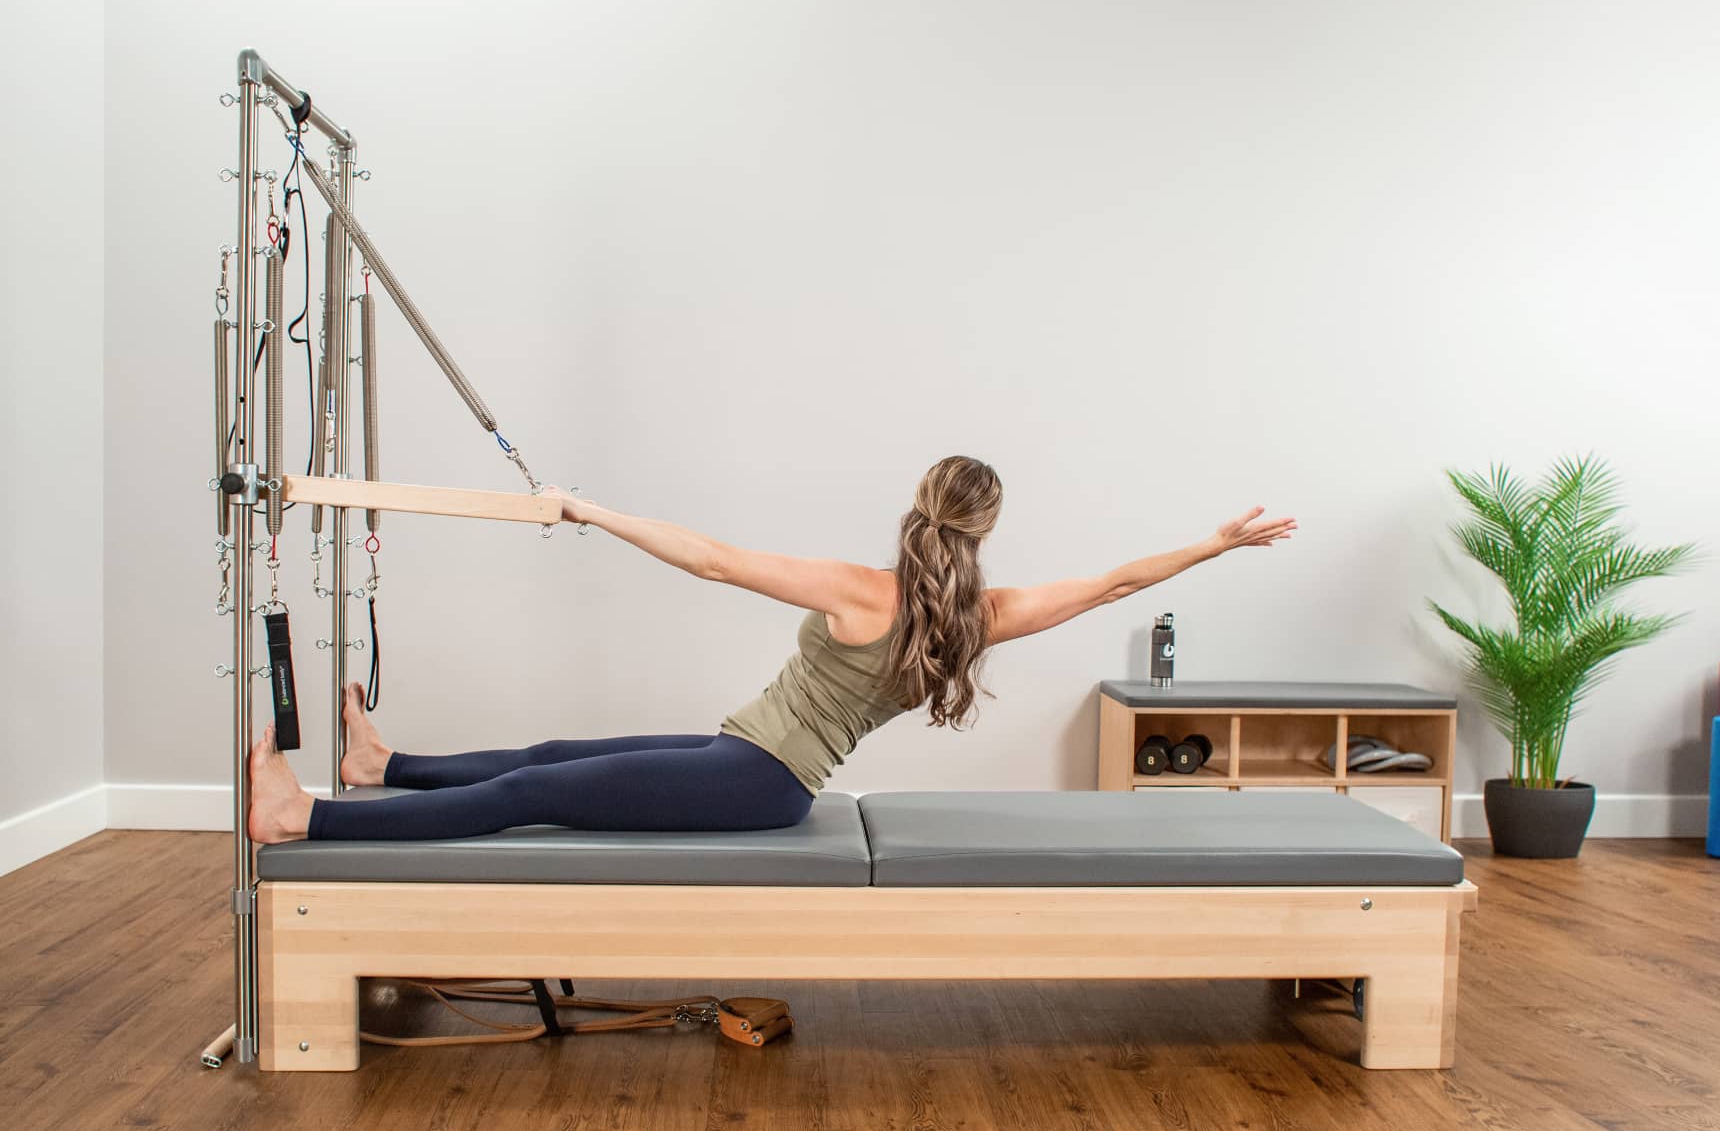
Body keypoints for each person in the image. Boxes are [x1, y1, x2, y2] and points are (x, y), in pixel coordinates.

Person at [247, 455, 1295, 843]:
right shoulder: (981, 615)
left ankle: (310, 822)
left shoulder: (860, 588)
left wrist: (592, 511)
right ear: (982, 530)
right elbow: (1114, 581)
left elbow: (712, 559)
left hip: (761, 782)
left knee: (534, 796)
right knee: (553, 755)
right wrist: (1215, 543)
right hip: (747, 759)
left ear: (918, 509)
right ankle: (383, 767)